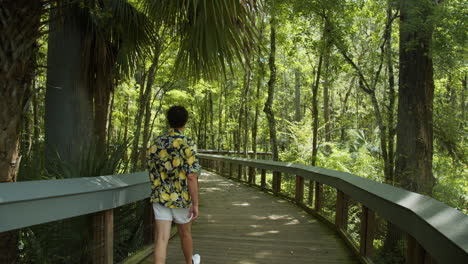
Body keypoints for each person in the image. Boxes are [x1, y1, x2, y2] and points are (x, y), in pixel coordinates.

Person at [147, 105, 201, 264]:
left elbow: (151, 169)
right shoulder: (187, 143)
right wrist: (195, 203)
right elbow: (191, 176)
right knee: (185, 234)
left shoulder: (156, 143)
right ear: (185, 122)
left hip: (160, 197)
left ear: (169, 121)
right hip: (181, 198)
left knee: (161, 239)